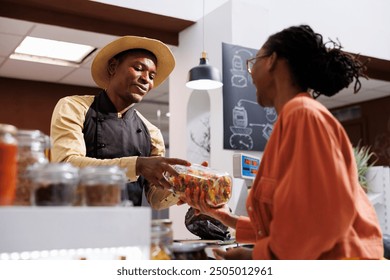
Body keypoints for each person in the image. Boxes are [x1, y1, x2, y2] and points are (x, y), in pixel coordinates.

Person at [182, 25, 384, 259]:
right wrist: (224, 218)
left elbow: (321, 226)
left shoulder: (303, 115)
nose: (251, 74)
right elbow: (291, 228)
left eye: (253, 62)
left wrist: (252, 257)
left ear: (271, 61)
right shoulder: (292, 119)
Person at [50, 36, 189, 209]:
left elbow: (155, 198)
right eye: (139, 68)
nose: (146, 79)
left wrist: (182, 186)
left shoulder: (151, 132)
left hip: (126, 225)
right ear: (113, 67)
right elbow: (67, 166)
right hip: (77, 224)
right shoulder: (74, 107)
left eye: (152, 75)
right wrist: (137, 165)